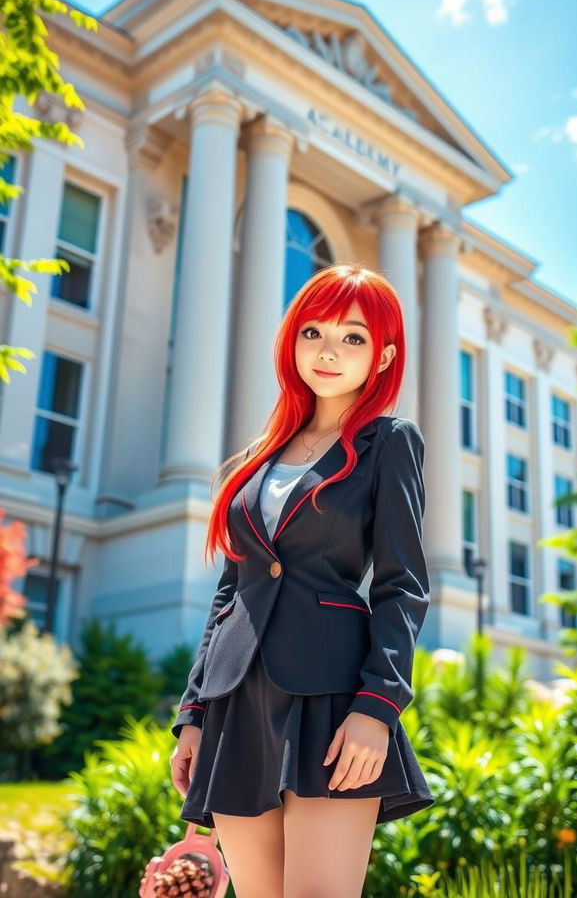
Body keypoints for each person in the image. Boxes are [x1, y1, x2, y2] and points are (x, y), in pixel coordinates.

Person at [169, 262, 434, 898]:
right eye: (314, 331)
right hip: (237, 701)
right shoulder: (258, 457)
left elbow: (404, 584)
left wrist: (379, 704)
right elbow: (232, 591)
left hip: (334, 697)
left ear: (383, 355)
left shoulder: (388, 443)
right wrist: (195, 712)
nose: (328, 351)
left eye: (354, 337)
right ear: (292, 339)